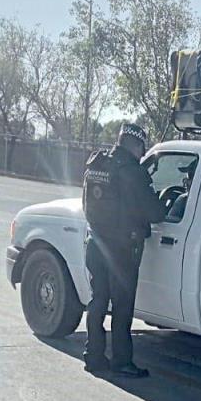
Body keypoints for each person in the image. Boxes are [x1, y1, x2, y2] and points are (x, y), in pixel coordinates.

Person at [82, 123, 167, 378]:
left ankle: (93, 356)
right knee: (122, 307)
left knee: (98, 300)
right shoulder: (132, 172)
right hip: (122, 250)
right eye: (142, 147)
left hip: (95, 243)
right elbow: (155, 212)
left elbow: (87, 204)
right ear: (137, 145)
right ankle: (122, 362)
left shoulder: (98, 164)